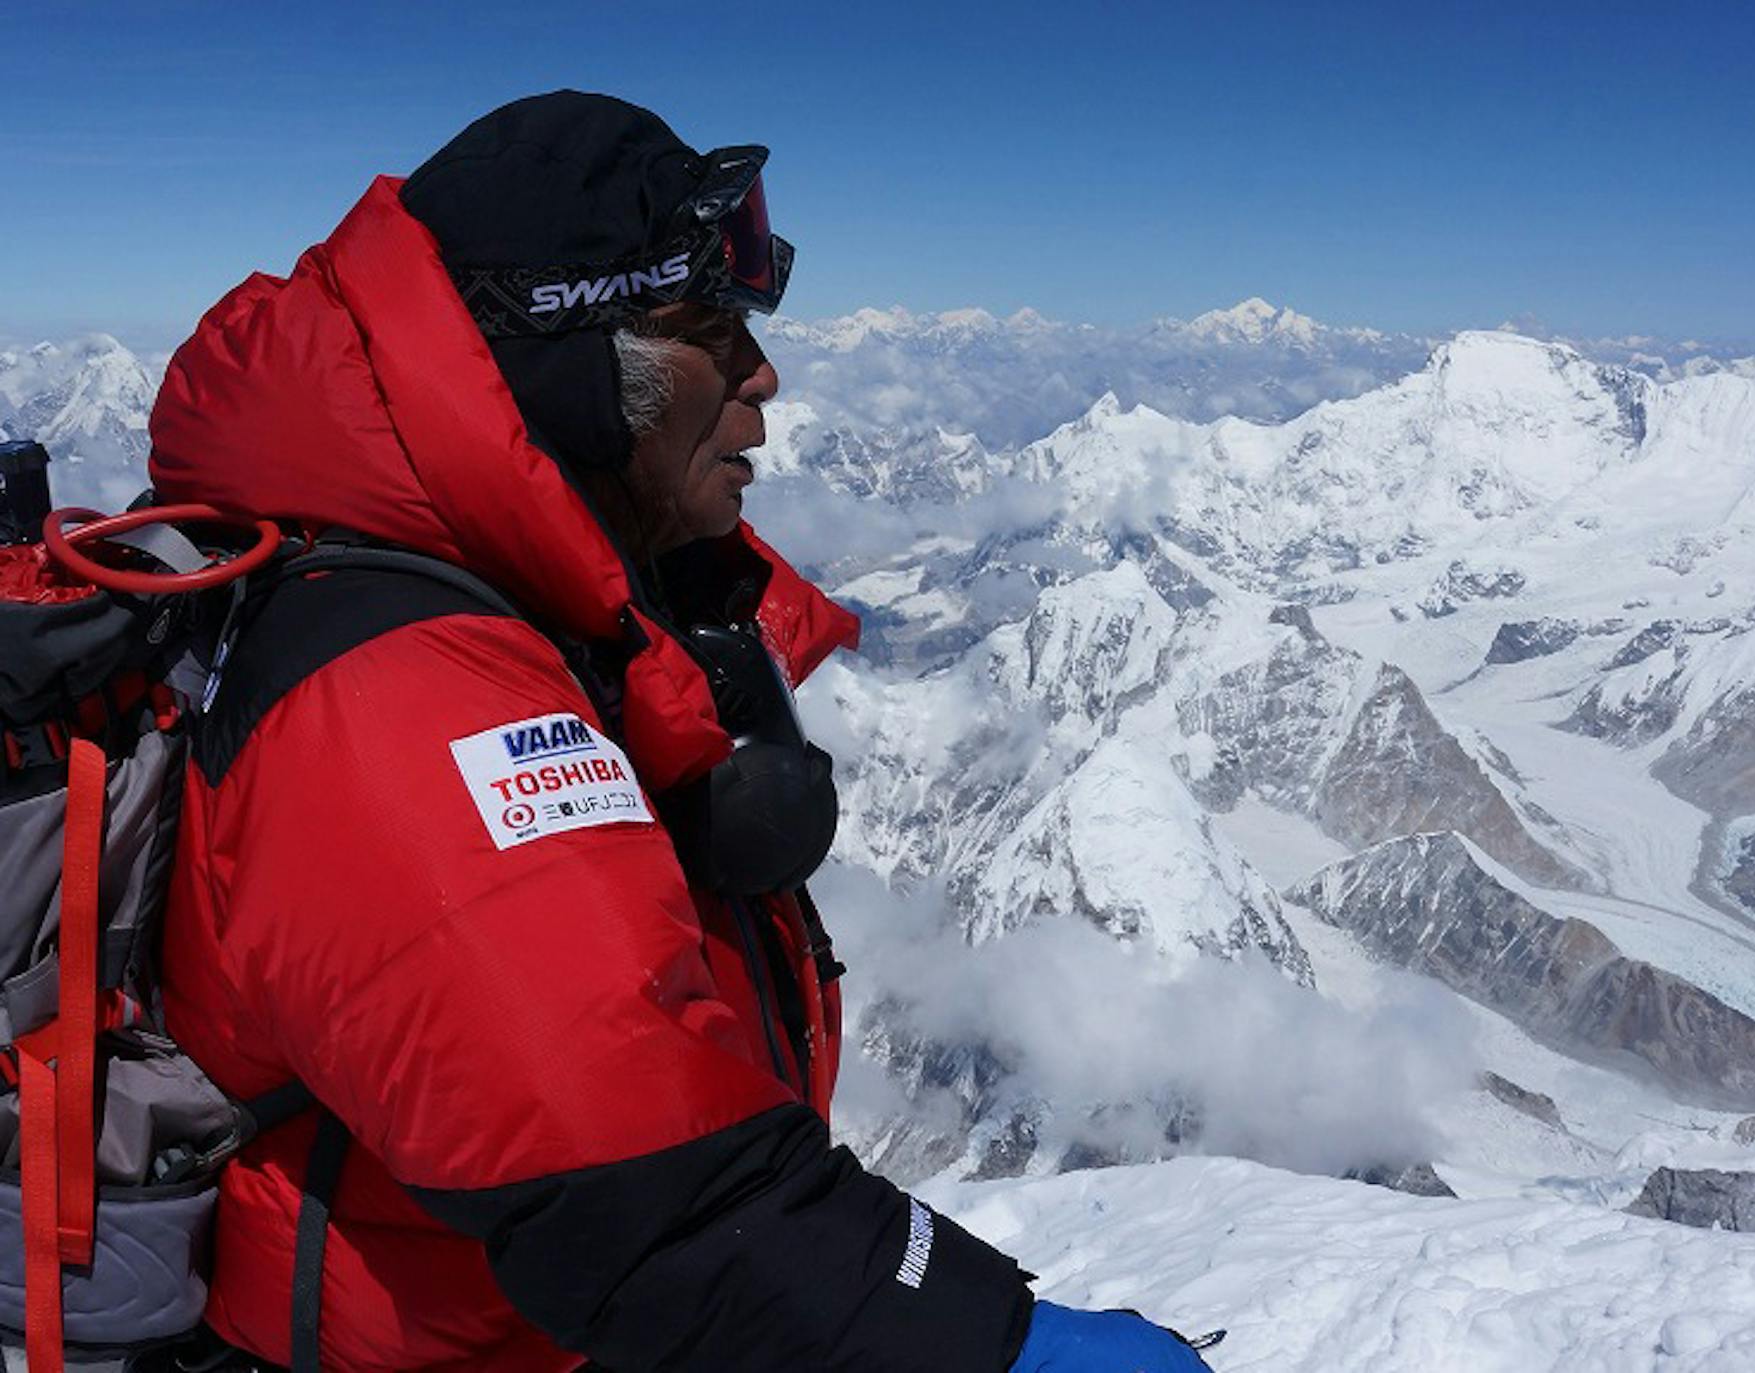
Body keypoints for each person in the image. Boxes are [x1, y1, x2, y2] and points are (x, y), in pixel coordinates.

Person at [145, 91, 1212, 1372]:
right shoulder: (400, 698)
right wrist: (993, 1344)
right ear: (575, 370)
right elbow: (653, 1193)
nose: (766, 375)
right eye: (711, 330)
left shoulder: (546, 619)